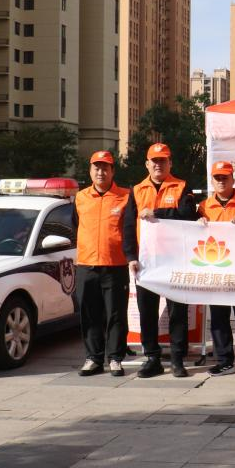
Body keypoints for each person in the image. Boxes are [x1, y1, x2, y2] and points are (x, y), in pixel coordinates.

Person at [123, 142, 197, 378]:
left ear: (169, 163)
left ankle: (177, 358)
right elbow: (128, 226)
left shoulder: (182, 186)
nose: (158, 165)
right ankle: (152, 358)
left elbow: (188, 215)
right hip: (146, 262)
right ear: (147, 164)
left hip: (175, 260)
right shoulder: (137, 190)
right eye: (154, 161)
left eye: (162, 161)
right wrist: (131, 257)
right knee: (147, 312)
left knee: (177, 311)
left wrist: (158, 213)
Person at [197, 161, 235, 378]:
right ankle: (224, 361)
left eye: (225, 177)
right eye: (217, 178)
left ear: (233, 179)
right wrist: (198, 222)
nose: (221, 181)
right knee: (219, 317)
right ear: (212, 181)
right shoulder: (204, 206)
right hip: (215, 269)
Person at [76, 150, 131, 377]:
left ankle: (115, 358)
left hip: (115, 265)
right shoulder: (80, 197)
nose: (100, 172)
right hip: (86, 264)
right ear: (90, 171)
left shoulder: (125, 196)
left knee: (116, 314)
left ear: (112, 171)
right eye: (96, 167)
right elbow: (76, 225)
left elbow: (131, 229)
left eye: (105, 167)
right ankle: (93, 358)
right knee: (89, 314)